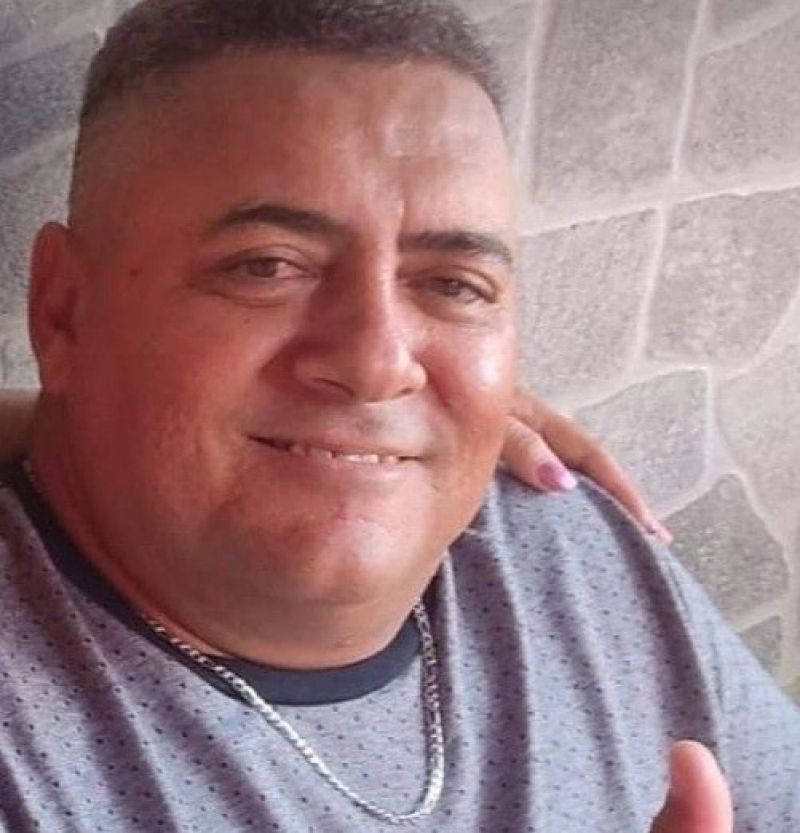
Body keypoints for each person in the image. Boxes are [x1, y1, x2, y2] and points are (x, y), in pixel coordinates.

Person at [0, 1, 796, 831]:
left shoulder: (570, 548)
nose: (379, 362)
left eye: (452, 285)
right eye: (267, 266)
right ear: (63, 311)